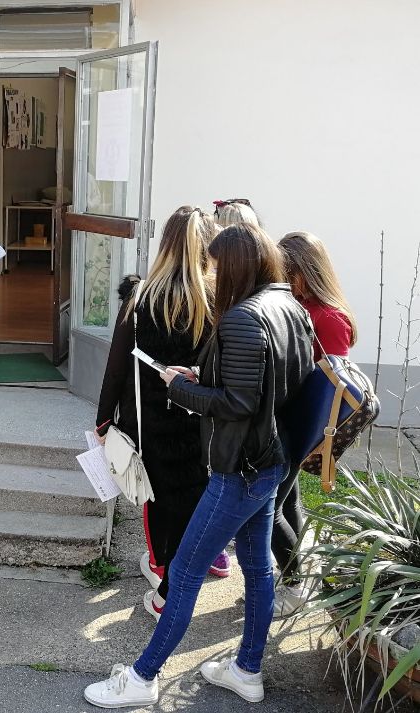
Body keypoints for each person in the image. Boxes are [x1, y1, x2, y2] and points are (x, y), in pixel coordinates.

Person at [83, 223, 314, 708]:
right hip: (271, 460)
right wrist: (202, 374)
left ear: (237, 266)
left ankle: (143, 677)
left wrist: (181, 387)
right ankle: (247, 670)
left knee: (185, 571)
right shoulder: (288, 305)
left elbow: (238, 403)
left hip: (240, 468)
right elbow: (264, 385)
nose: (211, 274)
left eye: (217, 266)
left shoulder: (243, 317)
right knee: (258, 567)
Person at [95, 207, 226, 621]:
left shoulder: (141, 297)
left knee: (155, 496)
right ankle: (182, 574)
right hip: (200, 420)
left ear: (165, 243)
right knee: (193, 498)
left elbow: (116, 366)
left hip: (148, 421)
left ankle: (162, 569)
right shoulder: (217, 299)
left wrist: (103, 420)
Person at [272, 231, 356, 615]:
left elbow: (331, 387)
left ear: (304, 272)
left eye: (285, 271)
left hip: (301, 426)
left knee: (268, 508)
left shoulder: (329, 318)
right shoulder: (302, 307)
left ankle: (293, 585)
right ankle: (295, 576)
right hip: (288, 421)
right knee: (288, 501)